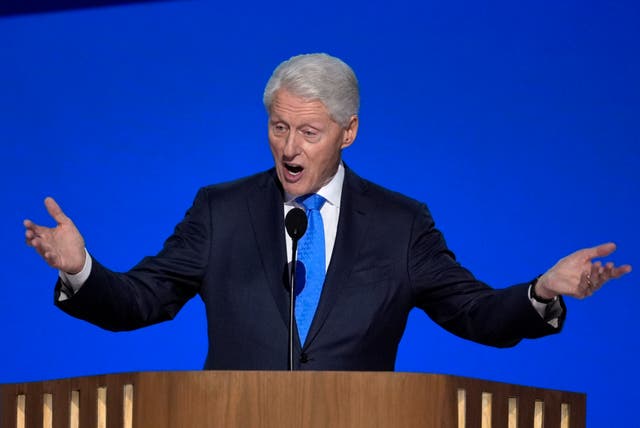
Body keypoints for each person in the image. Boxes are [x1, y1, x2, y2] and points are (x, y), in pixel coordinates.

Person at [24, 53, 631, 370]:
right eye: (278, 126)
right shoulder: (221, 212)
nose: (289, 148)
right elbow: (141, 300)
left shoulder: (401, 225)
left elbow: (473, 314)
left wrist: (541, 291)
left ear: (349, 133)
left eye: (309, 132)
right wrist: (82, 270)